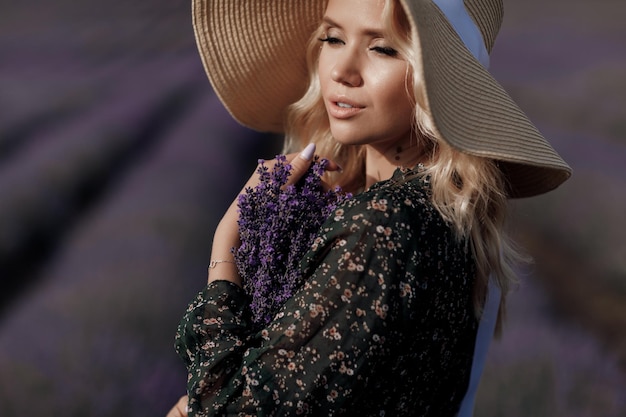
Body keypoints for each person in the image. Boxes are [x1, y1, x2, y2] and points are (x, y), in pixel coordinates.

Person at [168, 0, 571, 416]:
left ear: (437, 83)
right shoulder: (441, 213)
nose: (342, 70)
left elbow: (231, 409)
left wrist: (226, 250)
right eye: (333, 38)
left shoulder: (381, 226)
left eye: (382, 48)